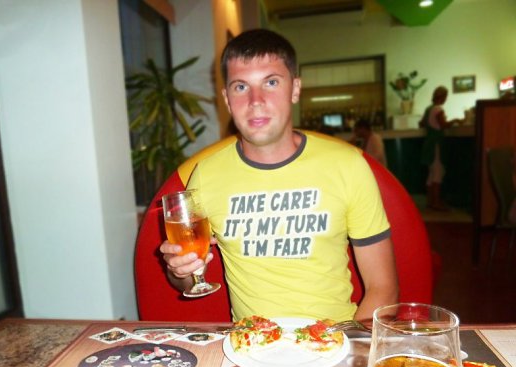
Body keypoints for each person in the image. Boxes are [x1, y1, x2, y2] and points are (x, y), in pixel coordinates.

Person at [160, 29, 398, 322]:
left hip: (335, 337)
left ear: (295, 89)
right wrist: (179, 270)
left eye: (271, 82)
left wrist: (346, 346)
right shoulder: (206, 175)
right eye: (241, 87)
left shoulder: (348, 166)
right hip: (250, 343)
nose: (256, 100)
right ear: (226, 99)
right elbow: (188, 281)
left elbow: (383, 288)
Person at [419, 86, 462, 211]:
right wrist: (455, 121)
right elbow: (443, 125)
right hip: (436, 145)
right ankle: (436, 202)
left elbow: (421, 123)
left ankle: (430, 201)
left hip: (428, 144)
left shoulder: (429, 109)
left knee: (431, 175)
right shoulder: (438, 109)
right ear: (442, 97)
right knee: (437, 174)